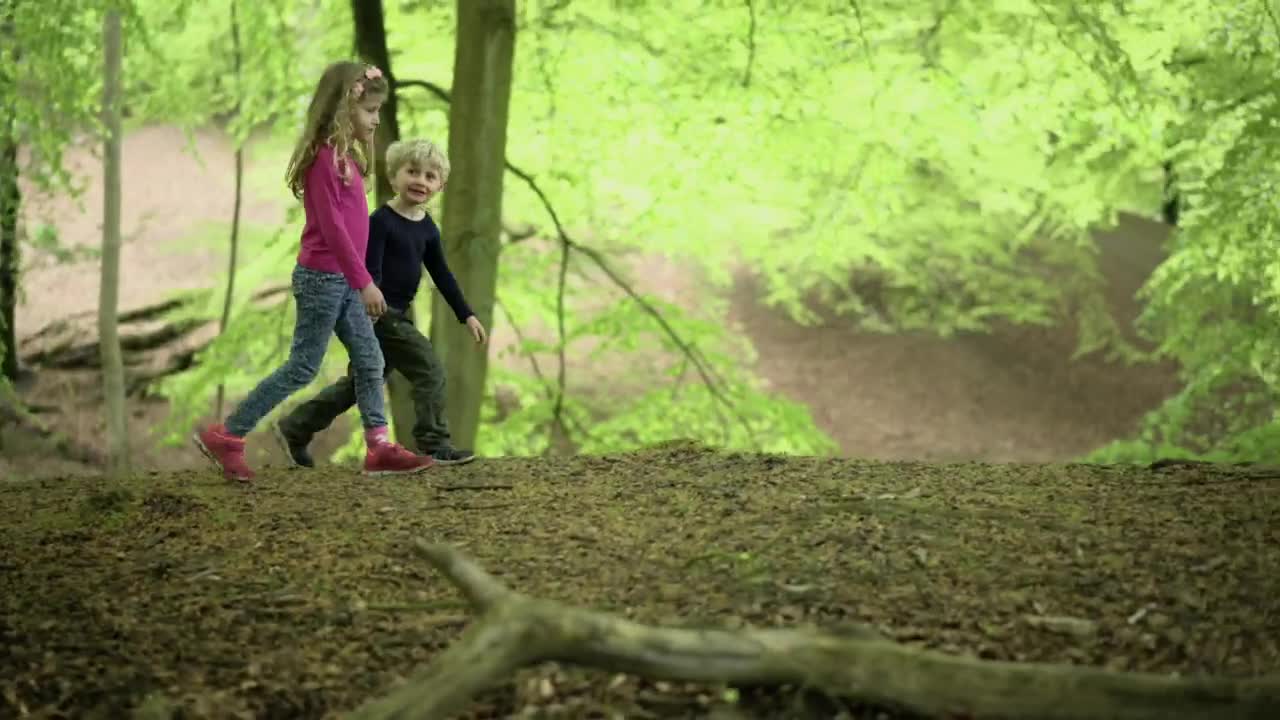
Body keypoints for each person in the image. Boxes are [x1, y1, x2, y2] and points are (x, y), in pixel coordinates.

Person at [193, 61, 434, 482]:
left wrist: (359, 278)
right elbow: (333, 228)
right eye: (369, 111)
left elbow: (354, 226)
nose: (376, 119)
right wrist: (365, 282)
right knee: (304, 366)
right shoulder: (324, 159)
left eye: (378, 111)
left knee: (370, 358)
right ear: (344, 107)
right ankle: (228, 436)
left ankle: (378, 447)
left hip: (344, 280)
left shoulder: (347, 159)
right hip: (323, 280)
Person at [272, 138, 487, 468]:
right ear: (394, 176)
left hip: (396, 315)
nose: (420, 181)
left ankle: (295, 428)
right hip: (379, 315)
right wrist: (365, 314)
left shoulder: (428, 229)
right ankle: (434, 443)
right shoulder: (381, 222)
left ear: (440, 185)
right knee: (429, 369)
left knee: (358, 385)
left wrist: (467, 315)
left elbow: (442, 274)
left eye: (430, 176)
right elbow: (366, 271)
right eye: (412, 171)